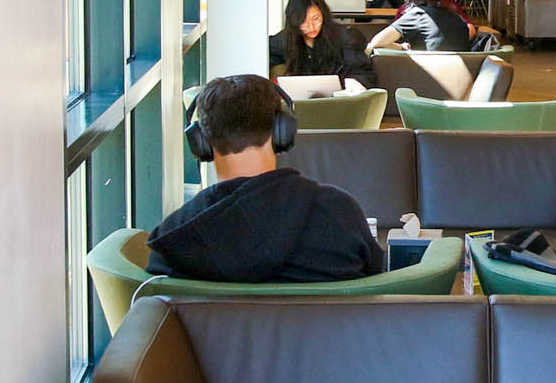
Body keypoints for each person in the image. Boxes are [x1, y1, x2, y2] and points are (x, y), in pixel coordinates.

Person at [146, 74, 384, 283]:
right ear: (282, 131)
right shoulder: (339, 213)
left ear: (200, 142)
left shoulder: (174, 239)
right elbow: (375, 284)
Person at [269, 0, 377, 87]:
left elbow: (363, 73)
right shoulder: (287, 39)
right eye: (302, 22)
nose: (311, 26)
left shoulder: (346, 37)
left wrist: (352, 84)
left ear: (323, 14)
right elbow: (264, 53)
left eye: (315, 19)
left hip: (337, 100)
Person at [367, 0, 473, 52]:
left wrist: (401, 47)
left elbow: (377, 42)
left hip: (430, 75)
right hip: (460, 74)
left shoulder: (418, 14)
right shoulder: (456, 16)